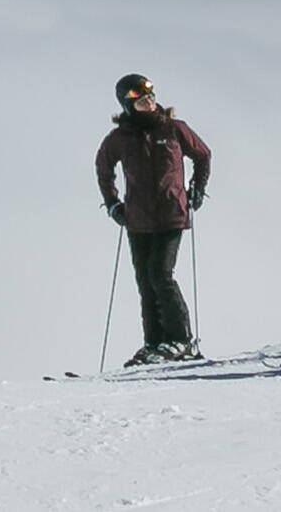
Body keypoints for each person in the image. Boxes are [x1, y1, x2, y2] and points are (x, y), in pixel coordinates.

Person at [96, 74, 212, 366]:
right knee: (145, 280)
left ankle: (182, 342)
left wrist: (198, 189)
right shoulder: (119, 139)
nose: (149, 101)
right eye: (140, 99)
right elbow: (103, 166)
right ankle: (155, 344)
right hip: (137, 219)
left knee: (161, 274)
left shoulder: (174, 129)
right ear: (127, 104)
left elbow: (203, 155)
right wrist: (112, 204)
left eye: (150, 96)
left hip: (172, 213)